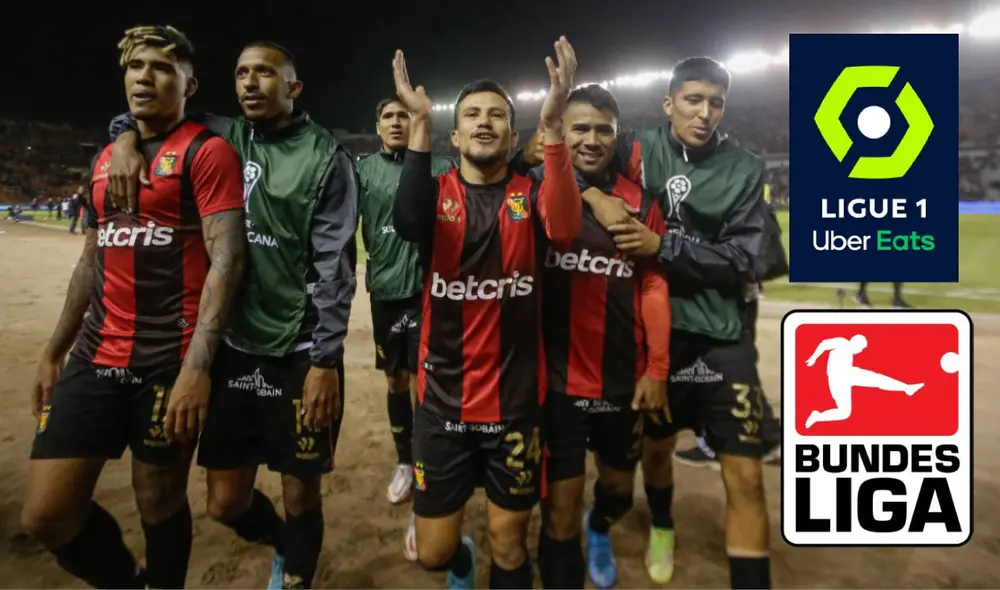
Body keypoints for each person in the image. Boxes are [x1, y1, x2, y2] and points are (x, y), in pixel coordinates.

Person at [106, 39, 357, 589]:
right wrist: (123, 138)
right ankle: (284, 546)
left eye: (265, 73)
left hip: (299, 351)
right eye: (242, 72)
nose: (250, 82)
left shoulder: (325, 158)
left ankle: (294, 576)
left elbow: (336, 268)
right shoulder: (221, 134)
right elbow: (147, 110)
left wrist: (325, 360)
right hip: (233, 349)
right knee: (224, 502)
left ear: (293, 88)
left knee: (299, 489)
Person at [21, 25, 246, 589]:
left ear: (189, 84)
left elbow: (228, 261)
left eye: (163, 68)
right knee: (46, 515)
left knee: (159, 498)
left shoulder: (207, 151)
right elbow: (90, 262)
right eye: (136, 66)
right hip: (96, 356)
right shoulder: (105, 158)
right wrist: (55, 351)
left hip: (168, 362)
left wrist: (197, 367)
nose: (145, 76)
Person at [559, 56, 780, 588]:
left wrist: (668, 247)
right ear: (669, 104)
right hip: (650, 339)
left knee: (746, 475)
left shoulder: (745, 169)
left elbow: (755, 259)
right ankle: (662, 524)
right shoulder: (636, 147)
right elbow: (554, 158)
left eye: (716, 102)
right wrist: (591, 193)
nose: (705, 113)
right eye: (693, 100)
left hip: (720, 338)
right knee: (655, 457)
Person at [392, 38, 582, 589]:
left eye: (496, 115)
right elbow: (407, 223)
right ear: (454, 136)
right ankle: (458, 558)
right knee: (433, 555)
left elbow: (567, 228)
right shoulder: (436, 194)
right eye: (471, 115)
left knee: (511, 546)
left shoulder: (532, 194)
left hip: (517, 407)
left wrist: (554, 124)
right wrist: (418, 125)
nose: (483, 123)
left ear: (512, 135)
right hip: (442, 404)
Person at [533, 84, 670, 590]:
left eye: (603, 129)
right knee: (558, 510)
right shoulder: (533, 190)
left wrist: (656, 368)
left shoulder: (641, 201)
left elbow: (653, 281)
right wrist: (590, 194)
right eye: (580, 128)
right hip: (559, 384)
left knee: (616, 491)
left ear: (617, 135)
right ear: (561, 133)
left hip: (619, 378)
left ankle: (600, 527)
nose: (592, 139)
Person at [357, 96, 454, 560]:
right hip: (384, 294)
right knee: (395, 380)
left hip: (427, 294)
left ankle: (424, 474)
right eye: (389, 117)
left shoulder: (442, 165)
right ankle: (403, 461)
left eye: (405, 115)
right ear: (378, 126)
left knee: (424, 385)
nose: (397, 123)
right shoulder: (363, 171)